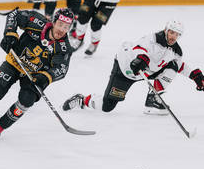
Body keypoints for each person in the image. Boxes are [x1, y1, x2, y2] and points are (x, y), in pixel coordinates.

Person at [0, 8, 74, 138]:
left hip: (34, 76)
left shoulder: (64, 47)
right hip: (14, 62)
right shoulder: (37, 22)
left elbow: (61, 69)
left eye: (66, 27)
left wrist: (45, 77)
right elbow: (14, 14)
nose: (62, 30)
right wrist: (10, 34)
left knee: (26, 101)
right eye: (60, 24)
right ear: (54, 22)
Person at [62, 20, 204, 115]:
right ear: (166, 31)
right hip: (126, 68)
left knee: (172, 66)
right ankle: (82, 100)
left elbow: (180, 65)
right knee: (107, 107)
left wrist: (195, 75)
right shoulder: (152, 38)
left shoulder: (176, 51)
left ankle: (153, 100)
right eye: (171, 32)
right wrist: (142, 58)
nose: (173, 36)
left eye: (176, 34)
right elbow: (138, 47)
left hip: (146, 72)